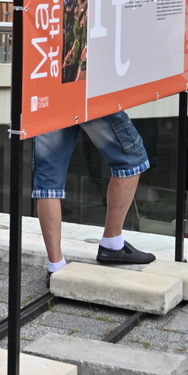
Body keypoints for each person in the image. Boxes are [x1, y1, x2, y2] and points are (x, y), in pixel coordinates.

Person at [33, 111, 155, 278]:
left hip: (46, 96)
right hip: (87, 91)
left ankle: (56, 266)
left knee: (49, 179)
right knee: (131, 159)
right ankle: (112, 243)